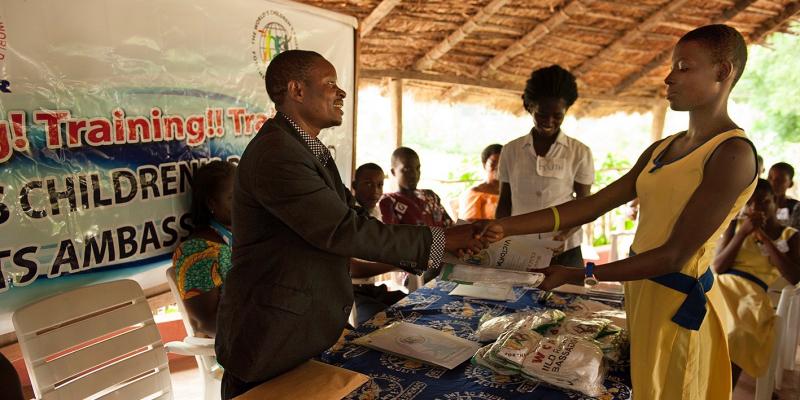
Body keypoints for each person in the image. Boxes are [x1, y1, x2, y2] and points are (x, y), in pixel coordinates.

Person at [481, 25, 756, 399]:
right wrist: (504, 226)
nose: (668, 76)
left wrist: (583, 273)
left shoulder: (732, 154)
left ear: (723, 72)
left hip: (676, 307)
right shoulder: (662, 148)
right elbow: (591, 205)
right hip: (641, 295)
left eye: (684, 67)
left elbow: (674, 256)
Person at [214, 50, 481, 399]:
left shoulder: (307, 149)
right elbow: (344, 231)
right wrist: (440, 242)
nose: (340, 93)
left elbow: (354, 220)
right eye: (330, 84)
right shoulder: (277, 154)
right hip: (271, 339)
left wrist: (440, 244)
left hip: (303, 330)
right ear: (296, 90)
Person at [495, 64, 594, 268]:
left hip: (565, 251)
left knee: (566, 300)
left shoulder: (579, 152)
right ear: (530, 107)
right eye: (542, 114)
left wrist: (564, 235)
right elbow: (505, 202)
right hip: (520, 247)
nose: (549, 121)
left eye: (557, 115)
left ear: (566, 111)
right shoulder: (511, 151)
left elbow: (585, 205)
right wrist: (499, 236)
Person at [713, 179, 800, 387]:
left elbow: (794, 276)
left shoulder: (790, 236)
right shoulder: (736, 227)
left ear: (775, 202)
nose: (755, 208)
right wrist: (743, 232)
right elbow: (718, 266)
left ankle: (724, 391)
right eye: (750, 203)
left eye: (763, 202)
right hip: (723, 286)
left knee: (736, 335)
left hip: (752, 296)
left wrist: (763, 237)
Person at [172, 160, 235, 338]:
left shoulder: (243, 233)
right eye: (232, 197)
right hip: (242, 346)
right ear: (211, 203)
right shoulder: (199, 252)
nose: (243, 201)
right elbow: (206, 323)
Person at [379, 146, 454, 282]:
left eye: (417, 168)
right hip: (413, 268)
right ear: (393, 171)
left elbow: (450, 228)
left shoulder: (430, 196)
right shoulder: (388, 201)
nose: (414, 174)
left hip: (444, 259)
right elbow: (394, 243)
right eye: (406, 169)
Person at [459, 144, 502, 221]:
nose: (497, 168)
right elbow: (470, 224)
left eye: (502, 164)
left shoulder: (513, 191)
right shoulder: (475, 193)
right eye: (493, 163)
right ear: (484, 165)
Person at [766, 162, 798, 226]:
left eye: (779, 180)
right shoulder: (757, 203)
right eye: (770, 178)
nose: (773, 183)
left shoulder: (796, 207)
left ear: (790, 184)